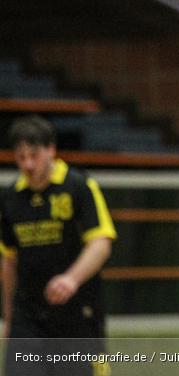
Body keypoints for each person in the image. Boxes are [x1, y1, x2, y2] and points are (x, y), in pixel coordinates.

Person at [1, 115, 117, 376]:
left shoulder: (79, 187)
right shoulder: (11, 198)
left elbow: (100, 243)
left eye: (34, 155)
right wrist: (9, 319)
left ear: (51, 150)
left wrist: (71, 279)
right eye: (21, 157)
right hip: (28, 316)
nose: (28, 164)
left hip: (78, 314)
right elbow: (9, 260)